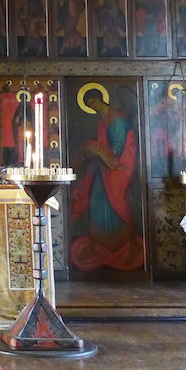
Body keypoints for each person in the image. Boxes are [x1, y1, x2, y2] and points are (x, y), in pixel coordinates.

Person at [69, 87, 143, 271]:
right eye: (89, 105)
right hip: (104, 167)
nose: (93, 106)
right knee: (96, 199)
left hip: (119, 167)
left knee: (118, 199)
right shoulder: (103, 122)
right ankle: (96, 243)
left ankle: (132, 242)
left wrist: (96, 153)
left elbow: (117, 149)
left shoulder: (117, 119)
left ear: (102, 99)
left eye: (93, 102)